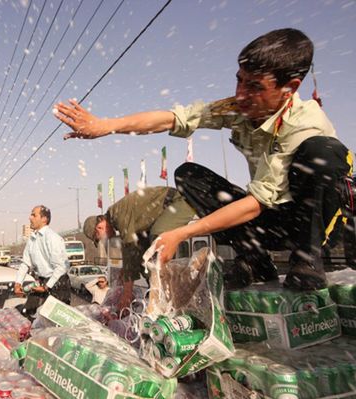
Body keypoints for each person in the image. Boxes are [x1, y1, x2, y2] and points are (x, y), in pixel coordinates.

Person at [54, 28, 353, 291]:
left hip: (308, 221)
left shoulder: (304, 123)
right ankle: (256, 261)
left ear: (291, 87)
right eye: (239, 81)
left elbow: (257, 202)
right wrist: (107, 125)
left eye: (255, 87)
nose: (242, 94)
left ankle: (307, 259)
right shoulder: (237, 106)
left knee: (322, 152)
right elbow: (173, 119)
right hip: (268, 222)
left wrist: (182, 233)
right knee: (189, 174)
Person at [83, 186, 195, 310]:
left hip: (180, 201)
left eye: (99, 238)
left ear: (99, 228)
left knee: (158, 237)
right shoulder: (117, 218)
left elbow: (129, 248)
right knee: (144, 258)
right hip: (163, 213)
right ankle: (157, 293)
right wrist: (125, 272)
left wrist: (127, 293)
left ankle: (173, 292)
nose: (104, 240)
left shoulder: (118, 214)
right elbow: (134, 252)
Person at [14, 205, 71, 318]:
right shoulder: (32, 238)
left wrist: (46, 287)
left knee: (53, 320)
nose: (30, 218)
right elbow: (25, 263)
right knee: (28, 313)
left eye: (34, 215)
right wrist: (18, 283)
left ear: (44, 219)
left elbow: (61, 267)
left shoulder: (53, 238)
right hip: (41, 282)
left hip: (57, 284)